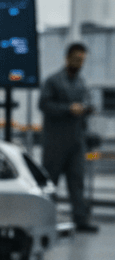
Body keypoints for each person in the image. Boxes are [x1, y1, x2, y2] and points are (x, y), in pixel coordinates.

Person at [39, 42, 98, 233]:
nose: (79, 63)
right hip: (55, 142)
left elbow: (83, 107)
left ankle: (80, 220)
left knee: (77, 182)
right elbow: (44, 105)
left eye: (82, 60)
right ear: (67, 58)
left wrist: (86, 113)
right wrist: (68, 108)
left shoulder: (81, 82)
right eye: (76, 59)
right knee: (50, 183)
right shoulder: (53, 81)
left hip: (76, 142)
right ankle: (43, 219)